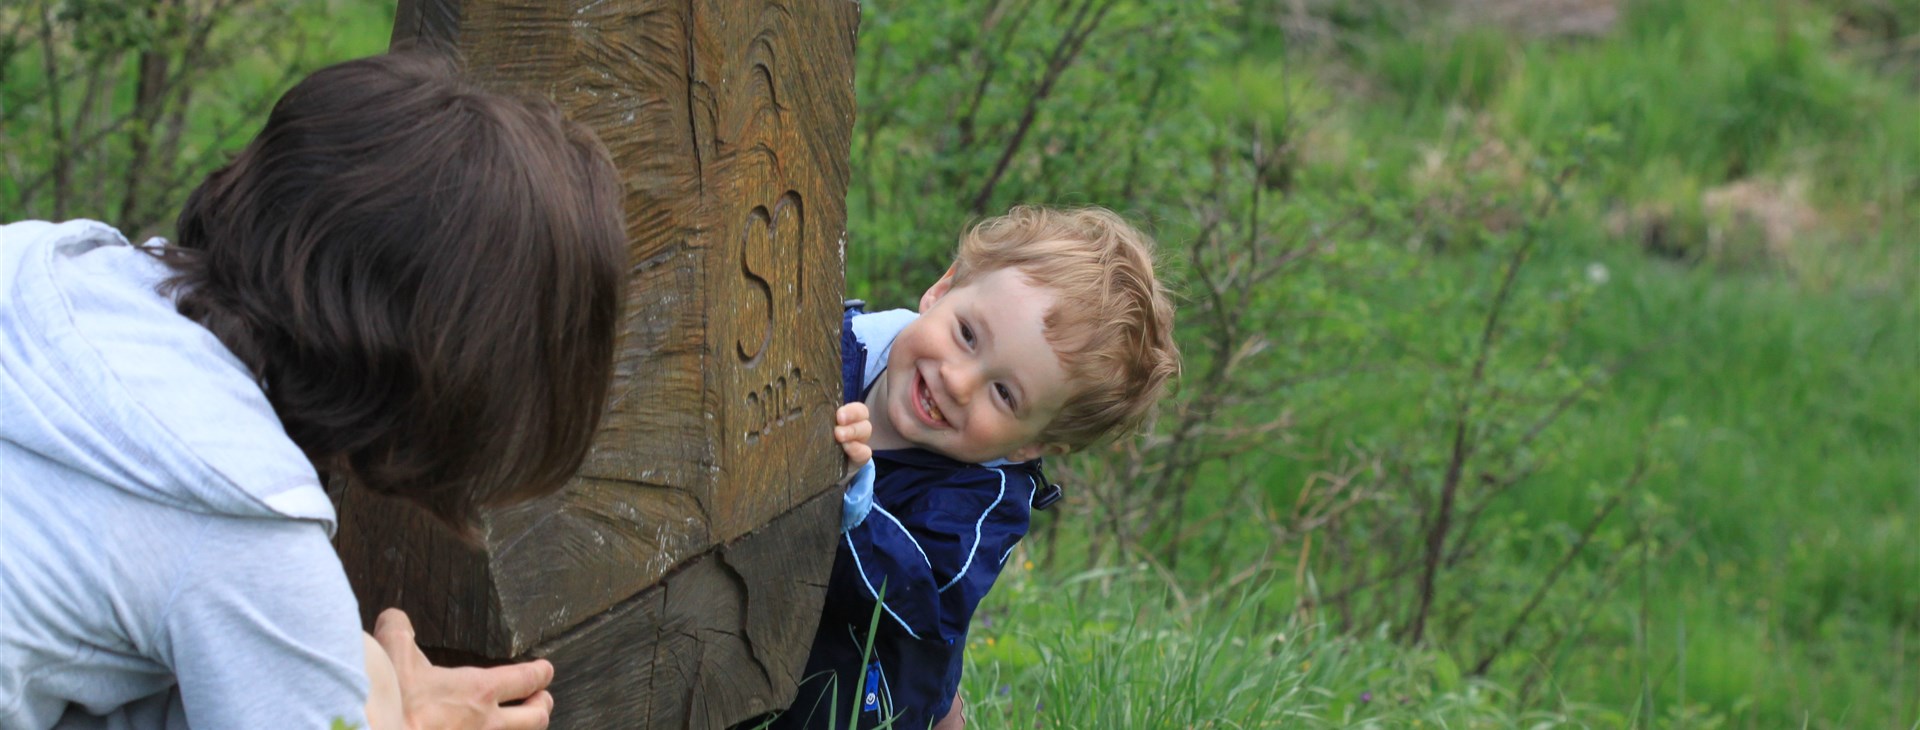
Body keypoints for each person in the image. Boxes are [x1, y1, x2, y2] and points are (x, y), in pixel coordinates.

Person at [0, 51, 627, 729]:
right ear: (456, 373)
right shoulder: (245, 526)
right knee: (367, 676)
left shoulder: (50, 266)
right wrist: (393, 719)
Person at [777, 206, 1180, 729]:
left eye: (1005, 394)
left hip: (855, 703)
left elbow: (915, 598)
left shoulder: (980, 508)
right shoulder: (831, 346)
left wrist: (851, 495)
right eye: (968, 334)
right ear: (942, 291)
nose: (958, 382)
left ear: (1028, 446)